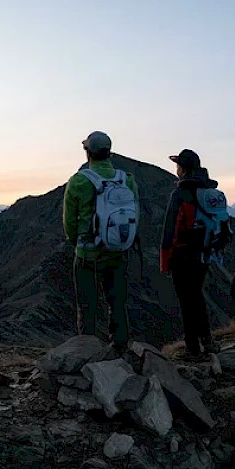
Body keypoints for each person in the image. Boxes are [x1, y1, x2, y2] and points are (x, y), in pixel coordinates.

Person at [62, 131, 140, 352]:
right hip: (118, 251)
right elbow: (135, 213)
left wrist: (75, 242)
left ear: (87, 153)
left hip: (88, 255)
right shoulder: (127, 180)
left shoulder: (78, 181)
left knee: (87, 305)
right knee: (117, 302)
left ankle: (86, 352)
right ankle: (120, 347)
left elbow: (69, 222)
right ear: (109, 152)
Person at [160, 149, 220, 360]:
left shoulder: (180, 193)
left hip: (182, 254)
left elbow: (169, 229)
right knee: (196, 295)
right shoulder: (209, 190)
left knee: (187, 301)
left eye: (178, 166)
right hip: (204, 253)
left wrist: (165, 258)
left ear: (183, 169)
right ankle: (208, 341)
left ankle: (192, 349)